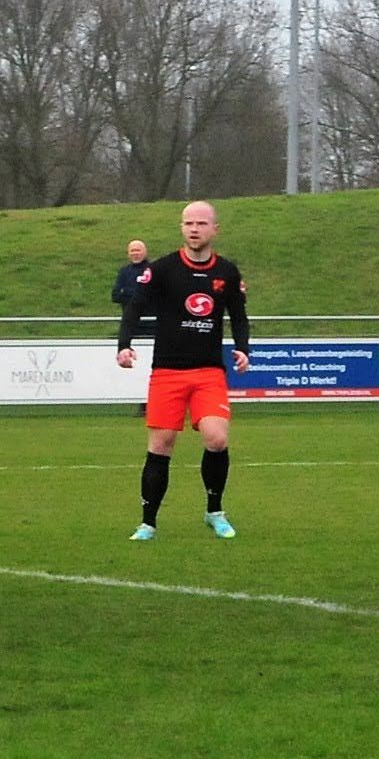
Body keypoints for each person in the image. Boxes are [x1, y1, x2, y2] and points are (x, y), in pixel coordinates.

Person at [116, 201, 250, 540]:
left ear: (214, 229)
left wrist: (243, 348)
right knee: (161, 444)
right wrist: (124, 344)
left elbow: (238, 315)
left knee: (216, 438)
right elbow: (134, 306)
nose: (194, 228)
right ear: (181, 228)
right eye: (188, 223)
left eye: (201, 223)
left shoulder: (228, 272)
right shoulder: (163, 269)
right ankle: (148, 523)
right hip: (168, 372)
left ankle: (214, 512)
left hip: (208, 372)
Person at [111, 239, 154, 419]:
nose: (135, 253)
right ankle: (141, 403)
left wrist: (132, 294)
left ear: (145, 252)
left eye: (138, 250)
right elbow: (115, 295)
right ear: (128, 254)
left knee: (154, 367)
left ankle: (152, 404)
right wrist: (136, 294)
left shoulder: (153, 270)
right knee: (137, 368)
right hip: (132, 327)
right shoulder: (124, 272)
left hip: (153, 326)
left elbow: (155, 294)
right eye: (132, 251)